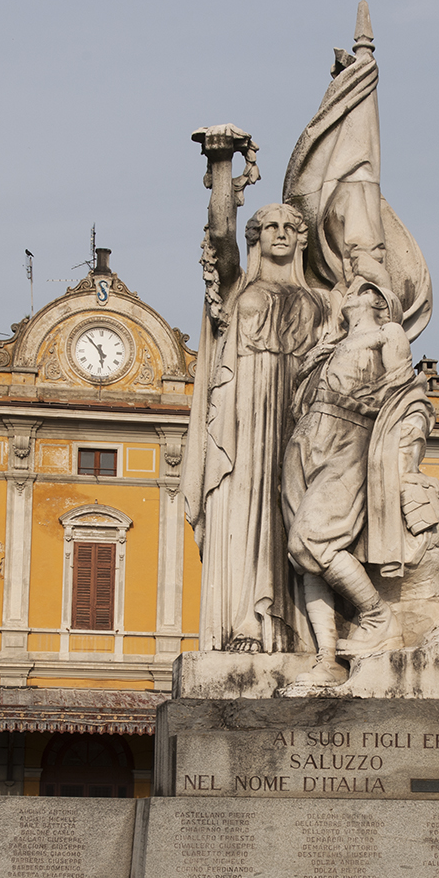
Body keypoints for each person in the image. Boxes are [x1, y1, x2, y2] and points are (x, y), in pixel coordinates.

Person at [181, 125, 328, 653]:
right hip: (245, 416)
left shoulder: (323, 302)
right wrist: (223, 165)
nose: (281, 233)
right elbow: (219, 234)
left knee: (299, 514)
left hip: (302, 416)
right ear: (256, 236)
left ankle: (304, 632)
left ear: (303, 238)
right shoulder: (237, 287)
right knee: (248, 510)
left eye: (291, 226)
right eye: (269, 226)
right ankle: (247, 619)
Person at [281, 279, 436, 685]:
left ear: (377, 299)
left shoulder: (387, 333)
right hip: (306, 440)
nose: (348, 292)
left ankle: (378, 617)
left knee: (311, 539)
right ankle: (327, 657)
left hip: (349, 437)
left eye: (360, 288)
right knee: (303, 559)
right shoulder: (329, 346)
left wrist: (404, 459)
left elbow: (403, 386)